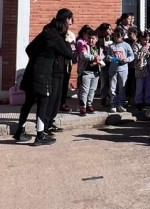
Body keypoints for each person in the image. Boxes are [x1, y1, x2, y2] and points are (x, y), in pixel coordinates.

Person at [14, 8, 76, 145]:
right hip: (43, 75)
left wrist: (38, 59)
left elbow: (28, 49)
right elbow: (69, 54)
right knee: (43, 103)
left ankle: (20, 131)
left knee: (28, 102)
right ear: (64, 24)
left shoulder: (45, 33)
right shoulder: (56, 36)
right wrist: (64, 42)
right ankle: (40, 136)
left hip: (31, 71)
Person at [76, 27, 105, 115]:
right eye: (89, 38)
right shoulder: (84, 46)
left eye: (93, 38)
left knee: (93, 90)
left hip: (96, 72)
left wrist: (101, 59)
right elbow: (84, 55)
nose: (91, 40)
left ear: (96, 39)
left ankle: (89, 104)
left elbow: (103, 55)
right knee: (85, 90)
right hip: (86, 71)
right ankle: (83, 106)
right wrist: (94, 58)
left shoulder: (99, 48)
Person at [106, 28, 135, 112]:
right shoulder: (111, 46)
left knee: (122, 87)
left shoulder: (126, 45)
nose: (116, 38)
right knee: (112, 88)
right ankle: (113, 104)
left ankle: (121, 104)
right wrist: (112, 59)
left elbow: (132, 56)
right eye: (114, 36)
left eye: (118, 36)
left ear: (122, 36)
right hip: (113, 69)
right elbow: (107, 57)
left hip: (123, 69)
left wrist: (127, 59)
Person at [132, 32, 150, 107]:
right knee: (139, 85)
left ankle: (148, 101)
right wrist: (142, 50)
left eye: (148, 40)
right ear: (141, 39)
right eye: (145, 40)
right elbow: (135, 56)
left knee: (149, 85)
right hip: (140, 67)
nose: (146, 42)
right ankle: (138, 101)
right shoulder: (136, 45)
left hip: (149, 67)